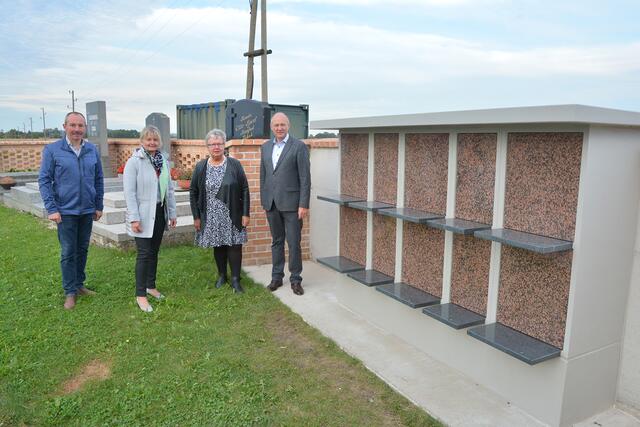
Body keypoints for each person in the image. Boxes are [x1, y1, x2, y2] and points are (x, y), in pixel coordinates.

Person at [38, 112, 104, 310]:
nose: (77, 129)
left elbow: (98, 179)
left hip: (86, 210)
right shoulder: (53, 150)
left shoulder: (91, 149)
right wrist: (52, 208)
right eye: (73, 125)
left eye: (80, 126)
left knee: (82, 249)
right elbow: (44, 180)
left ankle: (79, 284)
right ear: (65, 126)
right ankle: (70, 292)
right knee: (68, 252)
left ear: (85, 128)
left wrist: (98, 205)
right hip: (65, 212)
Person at [123, 125, 177, 312]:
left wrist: (172, 213)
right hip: (143, 216)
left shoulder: (162, 161)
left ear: (159, 142)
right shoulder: (134, 162)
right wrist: (134, 218)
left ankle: (150, 286)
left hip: (160, 214)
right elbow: (129, 193)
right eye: (149, 139)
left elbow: (168, 189)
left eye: (155, 139)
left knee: (154, 252)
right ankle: (141, 295)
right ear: (142, 141)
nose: (152, 142)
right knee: (144, 254)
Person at [190, 129, 250, 293]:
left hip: (233, 213)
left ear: (224, 145)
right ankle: (222, 275)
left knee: (235, 246)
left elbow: (244, 188)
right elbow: (193, 192)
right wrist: (196, 216)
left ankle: (236, 279)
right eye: (212, 144)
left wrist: (246, 213)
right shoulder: (201, 167)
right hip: (211, 214)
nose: (216, 147)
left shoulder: (234, 164)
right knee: (219, 246)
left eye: (219, 143)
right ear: (207, 147)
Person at [260, 112, 311, 296]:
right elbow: (264, 176)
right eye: (276, 125)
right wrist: (264, 199)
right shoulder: (265, 147)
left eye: (283, 125)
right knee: (277, 241)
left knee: (294, 243)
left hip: (292, 204)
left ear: (288, 126)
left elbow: (305, 178)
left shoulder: (298, 147)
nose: (279, 128)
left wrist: (303, 204)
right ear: (272, 127)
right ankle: (276, 277)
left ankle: (296, 280)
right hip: (272, 204)